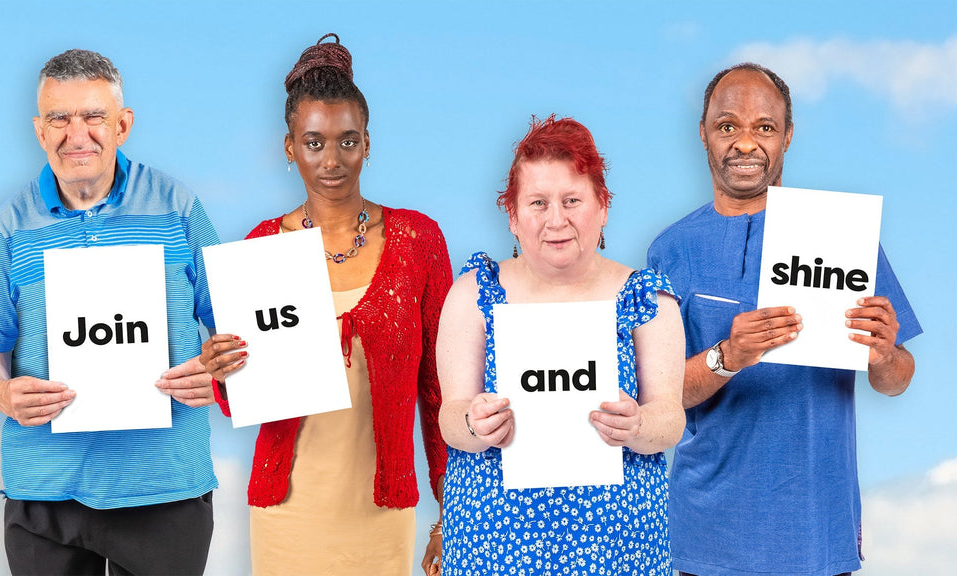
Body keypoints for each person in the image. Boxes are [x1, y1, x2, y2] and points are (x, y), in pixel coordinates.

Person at [646, 63, 921, 576]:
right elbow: (660, 395)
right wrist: (728, 357)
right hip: (707, 538)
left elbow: (898, 379)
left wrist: (883, 355)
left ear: (787, 136)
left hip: (818, 534)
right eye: (728, 126)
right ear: (704, 134)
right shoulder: (671, 250)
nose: (745, 143)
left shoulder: (844, 237)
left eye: (764, 127)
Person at [198, 33, 450, 575]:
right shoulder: (260, 247)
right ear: (290, 147)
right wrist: (220, 370)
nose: (331, 160)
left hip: (383, 513)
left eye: (347, 141)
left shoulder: (418, 241)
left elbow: (439, 389)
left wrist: (448, 514)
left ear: (367, 143)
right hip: (286, 511)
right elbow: (240, 397)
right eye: (314, 143)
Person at [0, 49, 219, 575]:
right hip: (43, 494)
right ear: (40, 130)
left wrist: (216, 378)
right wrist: (5, 394)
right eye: (59, 118)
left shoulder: (179, 208)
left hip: (164, 488)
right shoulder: (10, 225)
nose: (75, 133)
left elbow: (240, 334)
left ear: (122, 125)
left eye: (93, 116)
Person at [437, 115, 686, 576]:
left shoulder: (648, 300)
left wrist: (639, 425)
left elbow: (670, 419)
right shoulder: (473, 293)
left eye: (572, 200)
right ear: (512, 215)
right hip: (491, 549)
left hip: (620, 550)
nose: (557, 219)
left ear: (602, 207)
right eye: (537, 202)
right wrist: (473, 423)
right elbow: (450, 415)